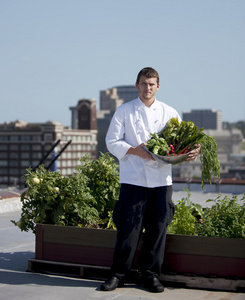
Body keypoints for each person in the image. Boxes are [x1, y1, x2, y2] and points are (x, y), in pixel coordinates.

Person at [101, 67, 201, 293]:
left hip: (161, 180)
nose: (148, 88)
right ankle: (118, 275)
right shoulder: (124, 111)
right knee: (129, 228)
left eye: (152, 84)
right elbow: (111, 141)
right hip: (132, 179)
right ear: (137, 85)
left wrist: (190, 153)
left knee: (157, 229)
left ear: (158, 87)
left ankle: (151, 275)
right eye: (144, 84)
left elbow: (179, 146)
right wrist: (135, 151)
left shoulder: (170, 113)